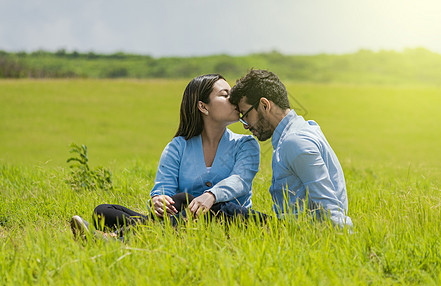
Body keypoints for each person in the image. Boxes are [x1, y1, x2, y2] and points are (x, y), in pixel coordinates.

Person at [70, 74, 261, 240]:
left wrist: (211, 195)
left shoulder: (246, 144)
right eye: (225, 95)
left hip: (228, 220)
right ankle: (161, 231)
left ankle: (117, 238)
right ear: (203, 107)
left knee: (185, 199)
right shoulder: (178, 146)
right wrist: (158, 200)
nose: (234, 100)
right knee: (103, 212)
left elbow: (240, 181)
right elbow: (163, 189)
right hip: (184, 219)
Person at [229, 69, 353, 228]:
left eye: (245, 115)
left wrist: (348, 244)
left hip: (300, 235)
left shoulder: (294, 141)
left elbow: (330, 207)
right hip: (291, 231)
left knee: (221, 211)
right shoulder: (299, 131)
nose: (246, 125)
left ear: (264, 105)